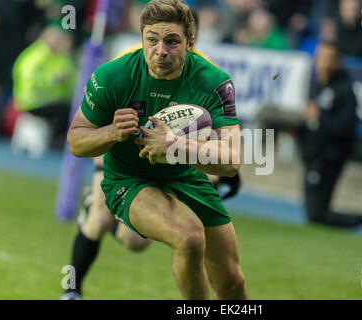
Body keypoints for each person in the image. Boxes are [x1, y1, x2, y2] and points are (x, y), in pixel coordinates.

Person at [66, 0, 247, 300]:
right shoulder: (112, 76)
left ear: (191, 42)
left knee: (233, 283)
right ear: (142, 38)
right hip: (129, 178)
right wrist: (111, 132)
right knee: (188, 236)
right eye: (152, 40)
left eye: (172, 41)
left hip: (187, 177)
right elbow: (76, 140)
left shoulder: (215, 83)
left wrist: (174, 145)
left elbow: (232, 161)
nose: (160, 50)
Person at [296, 41, 362, 234]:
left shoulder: (344, 90)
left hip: (328, 157)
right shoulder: (317, 85)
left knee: (316, 215)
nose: (323, 64)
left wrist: (319, 118)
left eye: (328, 59)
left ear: (337, 62)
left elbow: (346, 126)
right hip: (314, 155)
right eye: (320, 58)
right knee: (316, 214)